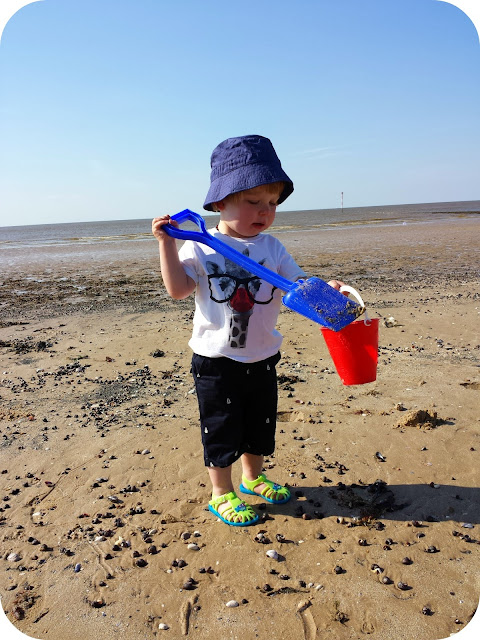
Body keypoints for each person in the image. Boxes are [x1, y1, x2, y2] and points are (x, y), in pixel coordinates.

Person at [152, 135, 345, 526]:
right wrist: (167, 245)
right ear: (220, 203)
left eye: (272, 203)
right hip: (216, 360)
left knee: (260, 424)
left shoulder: (272, 248)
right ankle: (221, 493)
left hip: (262, 355)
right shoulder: (201, 246)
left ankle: (253, 478)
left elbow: (298, 283)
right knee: (221, 429)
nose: (265, 211)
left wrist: (330, 292)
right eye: (253, 202)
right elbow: (177, 290)